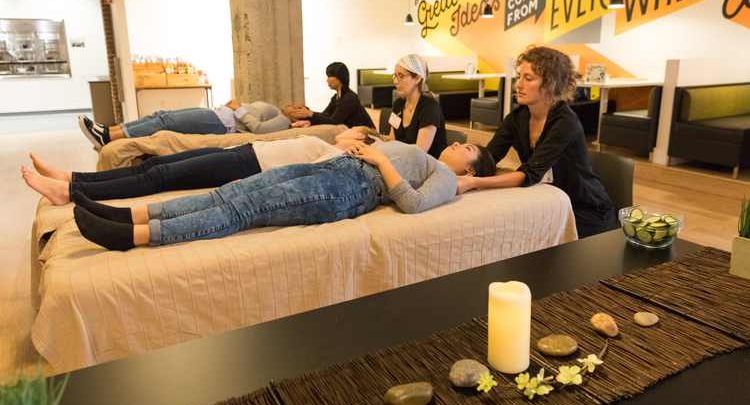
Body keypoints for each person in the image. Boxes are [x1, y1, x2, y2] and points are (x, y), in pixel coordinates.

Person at [71, 138, 496, 251]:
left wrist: (379, 160)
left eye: (468, 150)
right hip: (336, 168)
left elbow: (413, 204)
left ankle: (133, 237)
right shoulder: (424, 154)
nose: (458, 145)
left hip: (351, 188)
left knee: (246, 207)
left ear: (471, 169)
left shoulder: (445, 177)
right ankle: (130, 217)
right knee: (230, 190)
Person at [456, 46, 614, 238]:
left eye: (528, 78)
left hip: (584, 210)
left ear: (551, 84)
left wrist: (472, 182)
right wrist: (453, 172)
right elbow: (487, 159)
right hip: (546, 201)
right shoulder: (516, 118)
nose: (518, 85)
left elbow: (529, 174)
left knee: (516, 232)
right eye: (518, 76)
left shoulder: (565, 122)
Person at [22, 127, 380, 205]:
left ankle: (68, 193)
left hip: (247, 164)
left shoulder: (333, 153)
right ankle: (74, 177)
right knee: (157, 163)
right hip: (244, 150)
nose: (344, 131)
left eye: (352, 132)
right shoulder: (323, 143)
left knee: (160, 176)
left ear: (361, 139)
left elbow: (302, 178)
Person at [79, 100, 298, 150]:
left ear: (297, 118)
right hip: (220, 115)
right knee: (161, 114)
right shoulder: (278, 110)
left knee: (166, 122)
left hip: (223, 124)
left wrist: (238, 108)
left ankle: (108, 138)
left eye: (297, 106)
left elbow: (259, 129)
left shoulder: (284, 120)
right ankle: (109, 131)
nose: (292, 104)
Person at [387, 54, 448, 159]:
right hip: (404, 160)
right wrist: (371, 137)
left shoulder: (430, 107)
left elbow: (421, 149)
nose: (395, 81)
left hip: (429, 165)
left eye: (401, 76)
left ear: (417, 79)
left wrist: (388, 150)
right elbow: (392, 138)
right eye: (395, 76)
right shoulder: (398, 104)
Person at [290, 62, 375, 129]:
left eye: (329, 76)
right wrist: (306, 112)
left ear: (339, 78)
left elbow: (334, 120)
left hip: (366, 135)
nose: (327, 80)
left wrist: (310, 114)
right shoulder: (337, 97)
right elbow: (326, 114)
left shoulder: (349, 98)